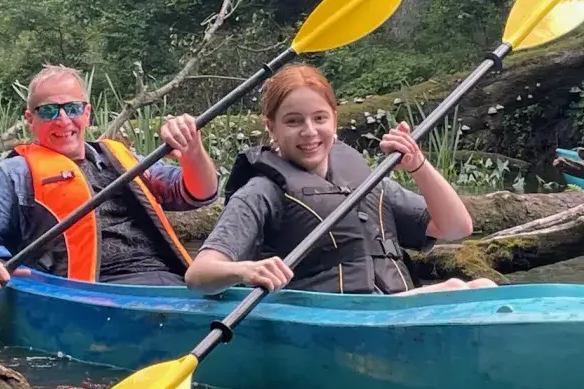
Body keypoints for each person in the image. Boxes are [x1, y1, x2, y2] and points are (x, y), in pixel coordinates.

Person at [185, 64, 497, 296]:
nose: (309, 131)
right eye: (293, 121)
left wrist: (419, 165)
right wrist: (246, 270)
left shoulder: (368, 183)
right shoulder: (261, 192)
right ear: (271, 128)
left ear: (334, 119)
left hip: (389, 310)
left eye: (319, 118)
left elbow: (457, 228)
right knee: (459, 288)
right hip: (329, 317)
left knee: (482, 286)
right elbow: (199, 275)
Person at [0, 64, 219, 298]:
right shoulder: (14, 174)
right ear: (30, 119)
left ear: (87, 113)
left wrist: (193, 151)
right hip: (95, 296)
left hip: (173, 287)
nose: (63, 120)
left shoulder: (122, 159)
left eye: (72, 108)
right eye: (48, 111)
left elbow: (201, 194)